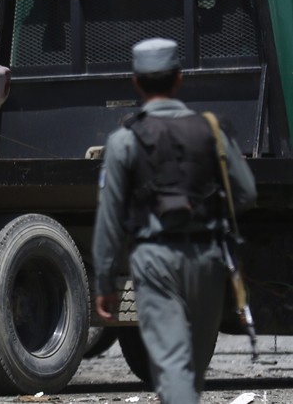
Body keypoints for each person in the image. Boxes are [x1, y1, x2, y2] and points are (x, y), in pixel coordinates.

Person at [92, 38, 257, 403]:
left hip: (154, 261)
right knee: (191, 372)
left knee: (173, 369)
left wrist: (105, 279)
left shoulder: (124, 140)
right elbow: (246, 194)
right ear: (179, 79)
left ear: (136, 82)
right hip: (208, 260)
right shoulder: (211, 130)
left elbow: (110, 216)